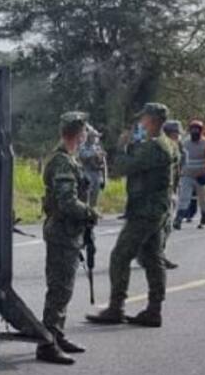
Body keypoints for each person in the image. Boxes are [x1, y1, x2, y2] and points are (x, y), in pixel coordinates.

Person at [85, 102, 177, 328]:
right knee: (153, 258)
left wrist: (121, 147)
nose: (140, 122)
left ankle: (116, 307)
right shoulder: (165, 143)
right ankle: (154, 310)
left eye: (143, 118)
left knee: (120, 256)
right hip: (155, 208)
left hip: (145, 210)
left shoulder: (155, 147)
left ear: (152, 120)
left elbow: (123, 167)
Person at [37, 111, 98, 365]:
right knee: (59, 290)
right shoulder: (63, 162)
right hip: (62, 233)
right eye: (84, 132)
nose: (85, 136)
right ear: (78, 134)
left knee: (64, 289)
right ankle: (47, 344)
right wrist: (90, 212)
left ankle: (57, 335)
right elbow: (67, 202)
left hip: (68, 232)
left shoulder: (68, 159)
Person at [175, 119, 205, 230]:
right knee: (184, 197)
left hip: (201, 176)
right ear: (190, 130)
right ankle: (178, 219)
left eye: (197, 129)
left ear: (201, 130)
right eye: (193, 129)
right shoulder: (184, 143)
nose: (195, 132)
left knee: (203, 199)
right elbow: (179, 157)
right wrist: (178, 171)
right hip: (187, 175)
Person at [160, 119, 183, 269]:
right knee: (164, 226)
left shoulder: (175, 147)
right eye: (177, 133)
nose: (179, 136)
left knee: (165, 226)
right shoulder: (163, 149)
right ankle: (157, 256)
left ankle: (157, 255)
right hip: (161, 195)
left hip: (170, 192)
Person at [77, 124, 107, 210]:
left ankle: (93, 209)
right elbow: (82, 155)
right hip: (87, 172)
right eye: (93, 136)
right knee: (87, 193)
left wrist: (104, 178)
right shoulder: (83, 146)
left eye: (96, 137)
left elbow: (104, 163)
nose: (95, 138)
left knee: (95, 194)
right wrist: (94, 154)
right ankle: (86, 210)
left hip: (97, 174)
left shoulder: (98, 147)